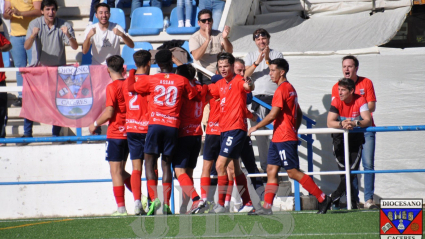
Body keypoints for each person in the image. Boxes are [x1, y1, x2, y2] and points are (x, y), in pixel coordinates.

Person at [248, 58, 332, 215]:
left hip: (284, 137)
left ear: (282, 72)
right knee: (271, 170)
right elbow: (298, 112)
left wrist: (256, 126)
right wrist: (294, 127)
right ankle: (266, 207)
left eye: (273, 70)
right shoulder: (290, 88)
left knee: (292, 172)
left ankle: (322, 198)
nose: (270, 74)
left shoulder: (282, 89)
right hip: (280, 137)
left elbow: (273, 114)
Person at [127, 49, 200, 215]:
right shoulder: (181, 80)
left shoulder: (152, 79)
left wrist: (132, 71)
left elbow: (131, 87)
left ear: (157, 64)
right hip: (173, 126)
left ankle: (154, 199)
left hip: (155, 125)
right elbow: (194, 95)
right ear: (171, 62)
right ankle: (166, 204)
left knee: (149, 162)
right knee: (166, 164)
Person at [20, 0, 78, 143]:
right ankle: (27, 134)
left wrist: (68, 35)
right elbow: (26, 46)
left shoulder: (64, 24)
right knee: (30, 101)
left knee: (58, 103)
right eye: (47, 9)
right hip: (38, 70)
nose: (50, 12)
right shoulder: (35, 24)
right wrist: (33, 36)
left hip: (57, 71)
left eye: (53, 9)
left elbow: (75, 46)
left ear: (56, 11)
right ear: (42, 11)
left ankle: (55, 135)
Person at [207, 52, 255, 213]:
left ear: (233, 66)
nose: (223, 69)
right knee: (235, 169)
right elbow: (208, 92)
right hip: (225, 130)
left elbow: (248, 86)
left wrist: (250, 84)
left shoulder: (238, 80)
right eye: (220, 66)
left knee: (220, 165)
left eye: (226, 66)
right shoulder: (220, 84)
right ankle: (248, 203)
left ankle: (220, 204)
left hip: (236, 129)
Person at [331, 55, 377, 209]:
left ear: (356, 68)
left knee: (368, 164)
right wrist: (344, 122)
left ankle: (369, 200)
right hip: (349, 130)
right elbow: (334, 110)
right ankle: (354, 200)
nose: (346, 69)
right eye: (344, 66)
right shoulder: (336, 86)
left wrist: (355, 118)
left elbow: (371, 107)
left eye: (350, 66)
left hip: (365, 128)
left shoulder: (366, 82)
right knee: (352, 166)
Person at [88, 55, 129, 216]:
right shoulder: (129, 85)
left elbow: (109, 112)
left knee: (115, 172)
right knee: (121, 170)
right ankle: (142, 199)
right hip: (130, 132)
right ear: (122, 68)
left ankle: (121, 208)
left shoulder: (112, 87)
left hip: (116, 133)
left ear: (108, 70)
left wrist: (95, 124)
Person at [244, 28, 284, 173]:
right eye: (258, 39)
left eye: (263, 38)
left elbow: (278, 72)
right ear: (255, 41)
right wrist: (256, 62)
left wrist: (267, 59)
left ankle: (276, 167)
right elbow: (245, 74)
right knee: (260, 135)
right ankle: (265, 167)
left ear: (268, 38)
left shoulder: (277, 54)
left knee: (275, 133)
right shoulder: (250, 55)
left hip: (273, 98)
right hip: (256, 99)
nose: (261, 41)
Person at [121, 50, 152, 215]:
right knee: (151, 167)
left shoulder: (127, 81)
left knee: (135, 168)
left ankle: (137, 202)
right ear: (148, 63)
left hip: (131, 128)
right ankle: (153, 202)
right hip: (146, 128)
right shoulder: (150, 81)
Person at [174, 64, 208, 214]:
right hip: (196, 134)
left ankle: (195, 199)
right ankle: (185, 207)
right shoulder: (201, 87)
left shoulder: (183, 89)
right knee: (187, 174)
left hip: (183, 134)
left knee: (179, 172)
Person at [4, 0, 41, 106]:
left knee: (34, 66)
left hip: (32, 35)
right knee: (20, 67)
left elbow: (39, 11)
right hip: (15, 36)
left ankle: (36, 95)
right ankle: (21, 96)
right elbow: (5, 15)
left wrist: (20, 13)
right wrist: (8, 14)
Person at [189, 9, 232, 78]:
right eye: (203, 21)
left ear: (212, 21)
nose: (207, 22)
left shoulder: (219, 34)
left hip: (219, 74)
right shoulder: (194, 37)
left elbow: (229, 51)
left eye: (209, 20)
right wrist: (207, 40)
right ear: (199, 23)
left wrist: (225, 38)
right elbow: (196, 56)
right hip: (203, 75)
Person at [0, 29, 12, 146]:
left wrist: (1, 49)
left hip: (0, 79)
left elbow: (8, 45)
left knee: (2, 110)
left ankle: (1, 138)